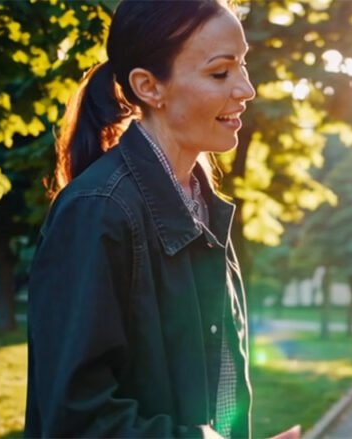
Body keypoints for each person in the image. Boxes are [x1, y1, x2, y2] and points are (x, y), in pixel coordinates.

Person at [25, 1, 297, 438]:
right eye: (220, 73)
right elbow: (78, 420)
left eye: (243, 66)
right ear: (149, 86)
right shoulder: (98, 211)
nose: (246, 89)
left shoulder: (202, 206)